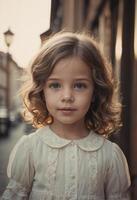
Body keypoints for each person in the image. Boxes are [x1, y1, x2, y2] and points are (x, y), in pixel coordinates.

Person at [1, 32, 131, 199]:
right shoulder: (30, 149)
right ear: (42, 91)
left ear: (95, 92)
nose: (67, 96)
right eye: (55, 85)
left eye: (79, 85)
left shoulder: (110, 156)